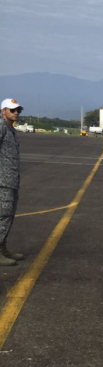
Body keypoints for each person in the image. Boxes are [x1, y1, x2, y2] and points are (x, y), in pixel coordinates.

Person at [0, 98, 24, 267]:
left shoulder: (11, 130)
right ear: (3, 111)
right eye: (12, 110)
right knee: (3, 216)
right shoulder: (1, 127)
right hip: (3, 181)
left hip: (11, 181)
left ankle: (3, 248)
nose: (16, 113)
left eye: (18, 110)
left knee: (8, 216)